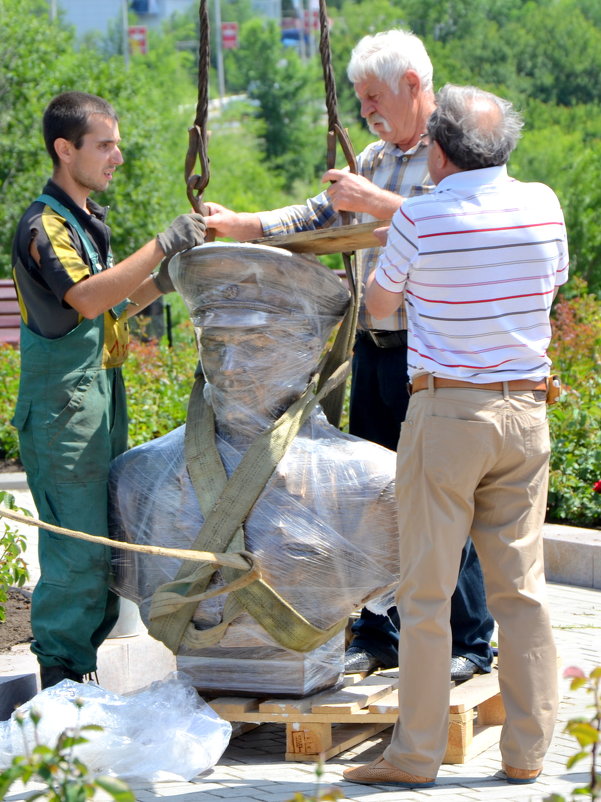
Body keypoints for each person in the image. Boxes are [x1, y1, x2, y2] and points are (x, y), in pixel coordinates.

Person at [204, 29, 493, 681]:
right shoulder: (373, 157)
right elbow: (316, 216)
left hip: (434, 354)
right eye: (360, 100)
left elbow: (468, 228)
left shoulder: (460, 152)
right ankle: (378, 629)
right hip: (375, 350)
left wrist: (374, 204)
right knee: (369, 493)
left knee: (439, 493)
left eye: (372, 98)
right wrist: (242, 223)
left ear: (413, 87)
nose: (365, 111)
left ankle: (471, 641)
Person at [343, 84, 567, 789]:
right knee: (521, 593)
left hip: (446, 416)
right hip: (525, 415)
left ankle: (414, 755)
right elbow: (549, 284)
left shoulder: (421, 217)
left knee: (426, 592)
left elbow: (380, 305)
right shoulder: (543, 205)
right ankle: (527, 754)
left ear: (436, 153)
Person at [109, 242, 400, 698]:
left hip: (303, 657)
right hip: (194, 661)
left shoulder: (375, 480)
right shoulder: (136, 478)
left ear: (307, 351)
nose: (230, 367)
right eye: (216, 344)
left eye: (256, 345)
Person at [10, 91, 206, 690]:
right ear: (64, 150)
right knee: (77, 550)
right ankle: (61, 680)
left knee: (105, 541)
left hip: (99, 392)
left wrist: (162, 282)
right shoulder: (43, 225)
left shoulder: (86, 222)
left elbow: (113, 304)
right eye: (104, 145)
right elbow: (87, 298)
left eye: (116, 144)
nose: (116, 156)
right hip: (64, 406)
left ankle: (84, 675)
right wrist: (164, 243)